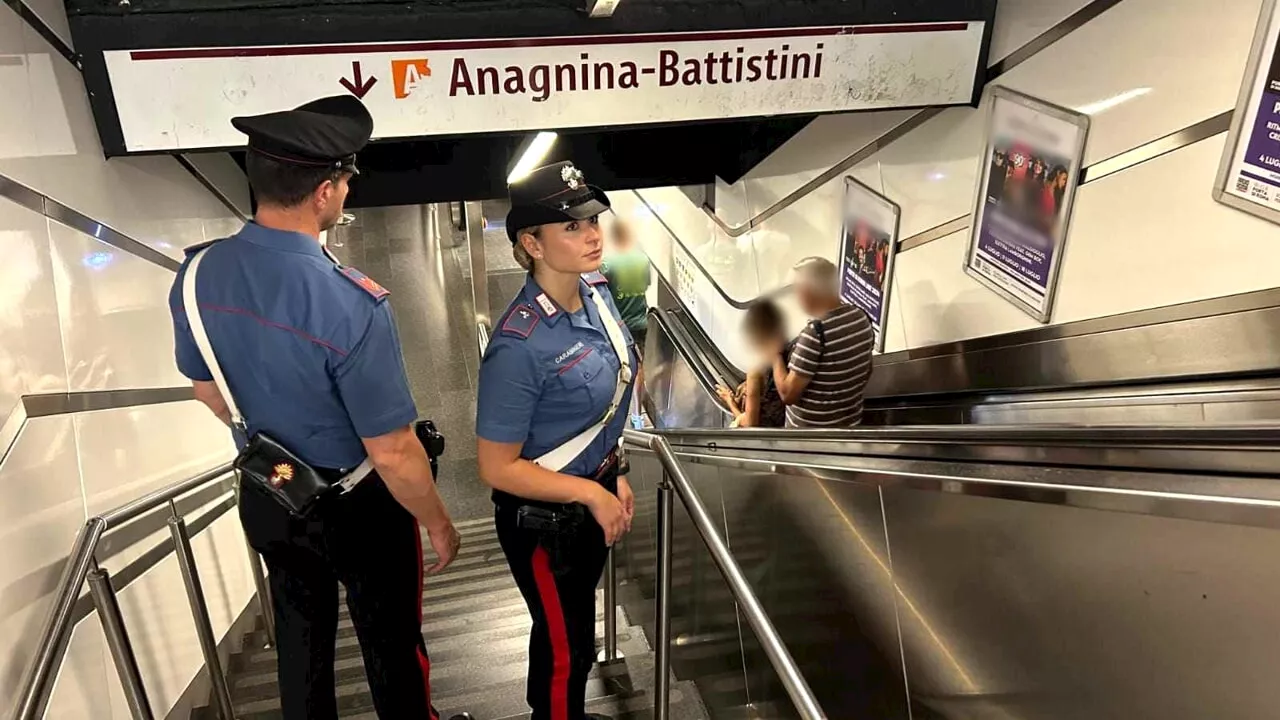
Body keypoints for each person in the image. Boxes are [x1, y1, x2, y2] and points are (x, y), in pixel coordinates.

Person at [168, 96, 469, 720]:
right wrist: (438, 522)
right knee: (392, 647)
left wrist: (276, 428)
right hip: (361, 509)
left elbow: (206, 389)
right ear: (326, 192)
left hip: (271, 494)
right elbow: (392, 450)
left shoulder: (196, 278)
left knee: (300, 646)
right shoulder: (352, 304)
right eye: (348, 179)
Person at [476, 161, 637, 720]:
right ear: (531, 243)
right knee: (565, 646)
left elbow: (611, 394)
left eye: (592, 219)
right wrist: (592, 495)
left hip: (589, 498)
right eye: (571, 226)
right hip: (542, 523)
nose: (592, 233)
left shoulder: (596, 292)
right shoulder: (518, 346)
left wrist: (613, 473)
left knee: (571, 631)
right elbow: (496, 468)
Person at [771, 257, 874, 428]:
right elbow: (867, 370)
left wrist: (774, 355)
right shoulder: (861, 317)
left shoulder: (815, 334)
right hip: (850, 426)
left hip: (810, 439)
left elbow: (788, 394)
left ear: (809, 291)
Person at [600, 218, 652, 427]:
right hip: (640, 322)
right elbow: (645, 284)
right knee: (639, 369)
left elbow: (600, 291)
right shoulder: (642, 259)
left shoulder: (608, 264)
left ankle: (613, 412)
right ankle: (638, 416)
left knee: (615, 367)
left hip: (618, 327)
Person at [717, 300, 789, 428]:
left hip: (767, 435)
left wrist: (730, 402)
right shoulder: (787, 352)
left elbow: (751, 424)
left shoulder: (756, 369)